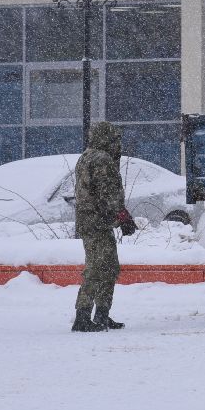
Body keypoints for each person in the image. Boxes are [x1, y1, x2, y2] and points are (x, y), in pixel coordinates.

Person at [71, 121, 135, 332]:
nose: (118, 144)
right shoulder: (101, 159)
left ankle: (101, 315)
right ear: (106, 139)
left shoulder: (87, 156)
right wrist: (122, 217)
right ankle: (83, 316)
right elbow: (107, 194)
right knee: (98, 268)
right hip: (96, 222)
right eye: (115, 139)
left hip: (92, 221)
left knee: (107, 267)